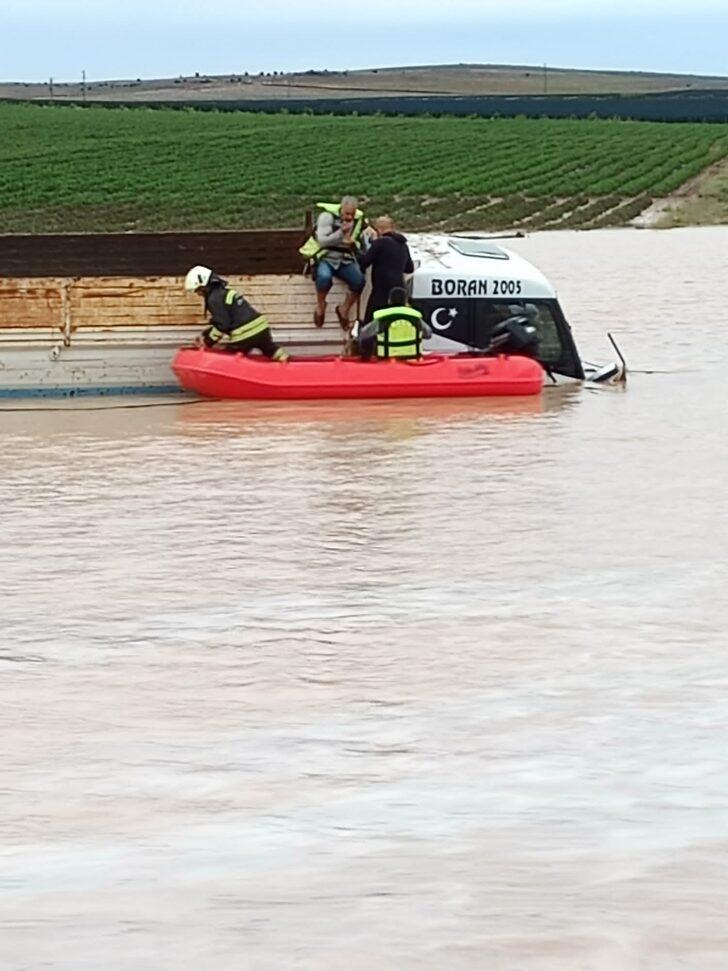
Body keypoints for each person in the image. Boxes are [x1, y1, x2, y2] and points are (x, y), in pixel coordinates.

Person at [184, 265, 288, 361]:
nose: (198, 294)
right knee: (271, 351)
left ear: (204, 286)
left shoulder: (214, 299)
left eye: (198, 290)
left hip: (244, 335)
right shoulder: (225, 292)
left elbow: (222, 324)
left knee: (229, 359)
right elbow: (227, 319)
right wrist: (206, 333)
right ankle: (289, 366)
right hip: (261, 329)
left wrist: (207, 342)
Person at [300, 197, 367, 329]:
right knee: (324, 277)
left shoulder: (358, 220)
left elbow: (358, 240)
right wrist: (341, 232)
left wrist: (353, 244)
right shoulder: (327, 217)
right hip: (326, 256)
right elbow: (323, 241)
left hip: (344, 257)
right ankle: (321, 306)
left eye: (352, 215)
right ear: (341, 209)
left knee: (359, 281)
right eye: (347, 214)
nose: (349, 217)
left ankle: (344, 309)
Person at [358, 216, 415, 323]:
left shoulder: (380, 243)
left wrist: (355, 250)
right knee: (396, 320)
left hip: (381, 290)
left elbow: (365, 261)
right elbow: (409, 268)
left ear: (378, 229)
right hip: (399, 289)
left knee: (372, 321)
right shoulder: (403, 244)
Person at [357, 287, 432, 361]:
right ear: (406, 302)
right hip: (412, 359)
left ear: (389, 301)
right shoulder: (415, 316)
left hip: (387, 360)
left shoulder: (382, 317)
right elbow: (428, 334)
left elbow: (364, 335)